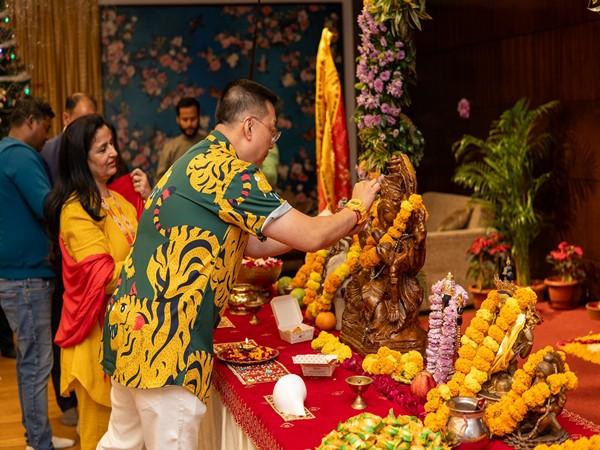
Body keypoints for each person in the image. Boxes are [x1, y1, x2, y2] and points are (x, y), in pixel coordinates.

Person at [98, 79, 380, 450]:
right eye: (272, 132)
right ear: (249, 125)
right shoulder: (233, 174)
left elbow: (251, 239)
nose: (271, 144)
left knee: (121, 443)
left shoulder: (195, 159)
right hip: (168, 348)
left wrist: (326, 220)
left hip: (131, 332)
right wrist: (357, 207)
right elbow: (311, 238)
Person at [44, 114, 139, 450]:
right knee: (100, 437)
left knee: (128, 437)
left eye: (112, 144)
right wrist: (153, 264)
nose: (113, 152)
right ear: (80, 160)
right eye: (102, 148)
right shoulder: (75, 210)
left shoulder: (120, 203)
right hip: (95, 341)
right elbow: (104, 276)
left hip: (128, 337)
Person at [0, 97, 74, 450]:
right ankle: (38, 444)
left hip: (17, 275)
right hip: (26, 277)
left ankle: (38, 437)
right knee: (36, 364)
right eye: (45, 128)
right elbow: (49, 206)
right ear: (29, 121)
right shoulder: (19, 155)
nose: (47, 138)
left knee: (31, 362)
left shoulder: (4, 152)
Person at [155, 96, 206, 181]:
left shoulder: (209, 143)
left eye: (193, 119)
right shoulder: (170, 148)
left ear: (199, 118)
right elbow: (160, 182)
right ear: (178, 120)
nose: (189, 124)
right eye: (185, 119)